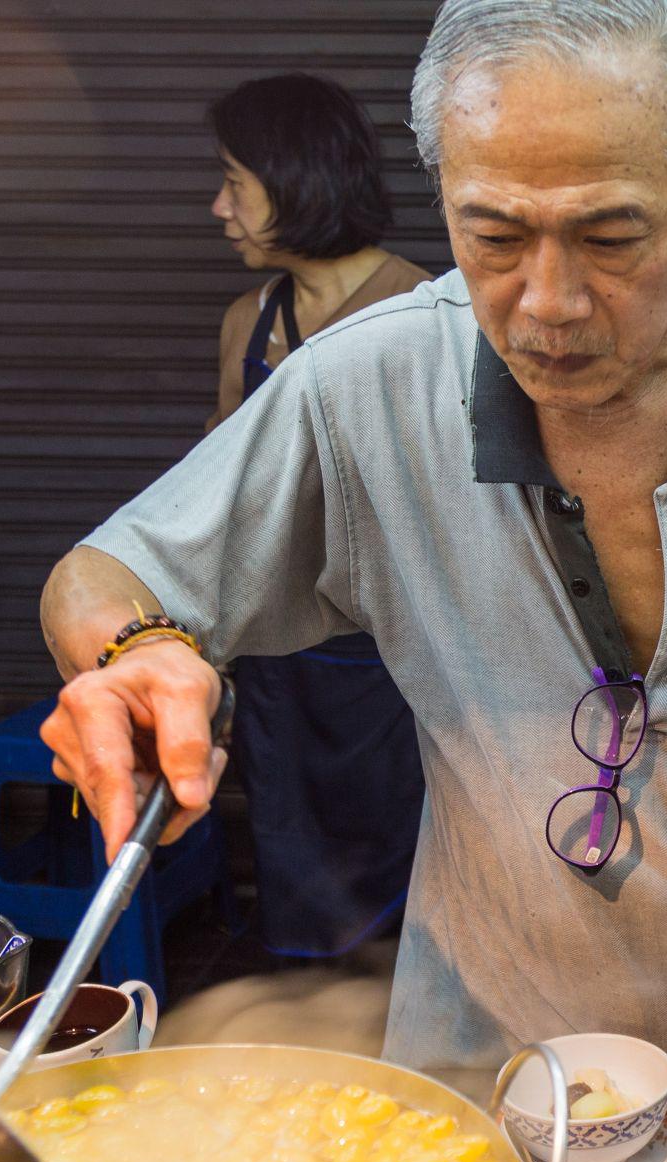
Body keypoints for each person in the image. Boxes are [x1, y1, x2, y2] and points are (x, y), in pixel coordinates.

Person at [40, 0, 667, 1077]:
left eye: (609, 236)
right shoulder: (367, 385)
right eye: (492, 235)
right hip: (499, 1066)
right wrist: (136, 654)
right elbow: (101, 570)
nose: (546, 303)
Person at [205, 72, 432, 958]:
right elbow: (219, 498)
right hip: (277, 666)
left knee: (406, 883)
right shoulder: (245, 322)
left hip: (391, 670)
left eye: (234, 181)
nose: (217, 205)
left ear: (293, 179)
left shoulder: (422, 315)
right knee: (296, 883)